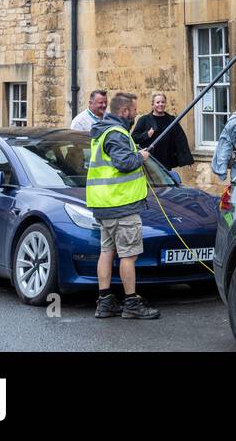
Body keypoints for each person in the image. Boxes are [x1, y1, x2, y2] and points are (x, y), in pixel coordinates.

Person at [86, 92, 161, 320]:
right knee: (129, 255)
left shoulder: (102, 132)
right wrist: (140, 156)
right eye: (135, 110)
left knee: (107, 252)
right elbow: (124, 162)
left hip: (104, 204)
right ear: (125, 111)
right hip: (121, 205)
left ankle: (105, 301)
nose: (136, 114)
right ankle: (131, 302)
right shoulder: (116, 134)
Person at [131, 92, 194, 173]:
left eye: (163, 102)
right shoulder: (144, 120)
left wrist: (188, 159)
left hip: (166, 161)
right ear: (152, 104)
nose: (160, 104)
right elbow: (134, 138)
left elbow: (181, 139)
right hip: (149, 161)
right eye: (157, 102)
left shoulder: (171, 120)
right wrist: (146, 135)